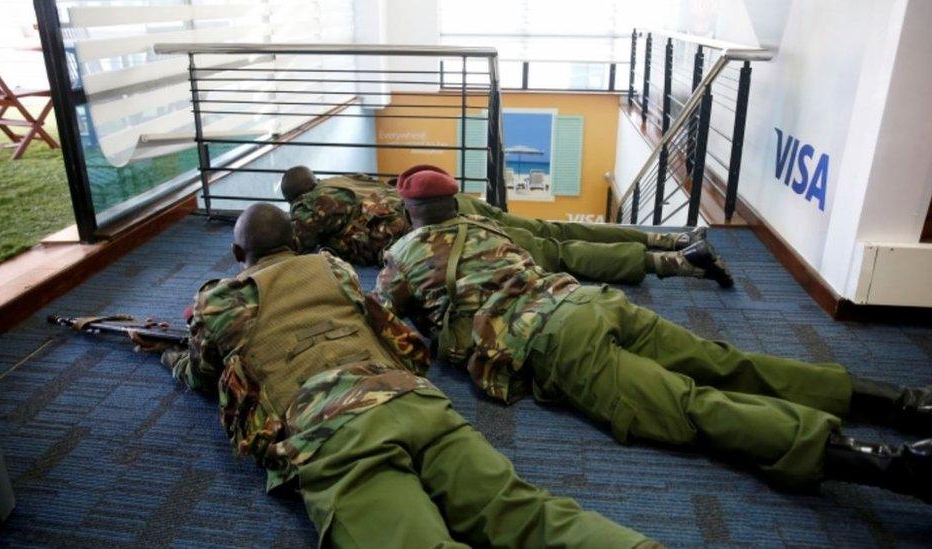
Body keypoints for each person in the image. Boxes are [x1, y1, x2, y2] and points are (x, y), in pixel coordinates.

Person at [373, 167, 932, 502]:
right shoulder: (487, 224)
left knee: (689, 408)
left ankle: (889, 464)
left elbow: (389, 321)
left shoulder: (401, 255)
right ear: (454, 201)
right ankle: (905, 402)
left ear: (410, 209)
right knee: (725, 361)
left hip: (557, 343)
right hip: (589, 302)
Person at [153, 203, 658, 548]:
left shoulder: (220, 299)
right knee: (523, 511)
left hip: (334, 431)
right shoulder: (335, 269)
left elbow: (204, 375)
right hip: (414, 400)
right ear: (295, 240)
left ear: (240, 256)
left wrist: (166, 356)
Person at [281, 165, 733, 286]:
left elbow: (288, 245)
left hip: (444, 229)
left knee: (559, 255)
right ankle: (671, 235)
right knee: (555, 230)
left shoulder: (308, 207)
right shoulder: (343, 180)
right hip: (459, 205)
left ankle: (676, 262)